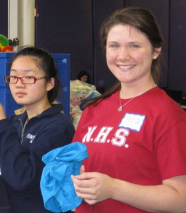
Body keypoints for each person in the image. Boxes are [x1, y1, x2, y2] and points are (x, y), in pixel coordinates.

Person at [71, 7, 186, 213]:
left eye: (134, 46)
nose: (123, 55)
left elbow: (181, 199)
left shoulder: (168, 116)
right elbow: (76, 167)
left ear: (155, 50)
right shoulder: (94, 109)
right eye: (114, 45)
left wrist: (114, 189)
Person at [0, 47, 75, 213]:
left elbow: (22, 178)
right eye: (14, 77)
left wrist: (0, 125)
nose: (19, 84)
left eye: (28, 77)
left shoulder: (59, 128)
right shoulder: (15, 122)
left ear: (49, 83)